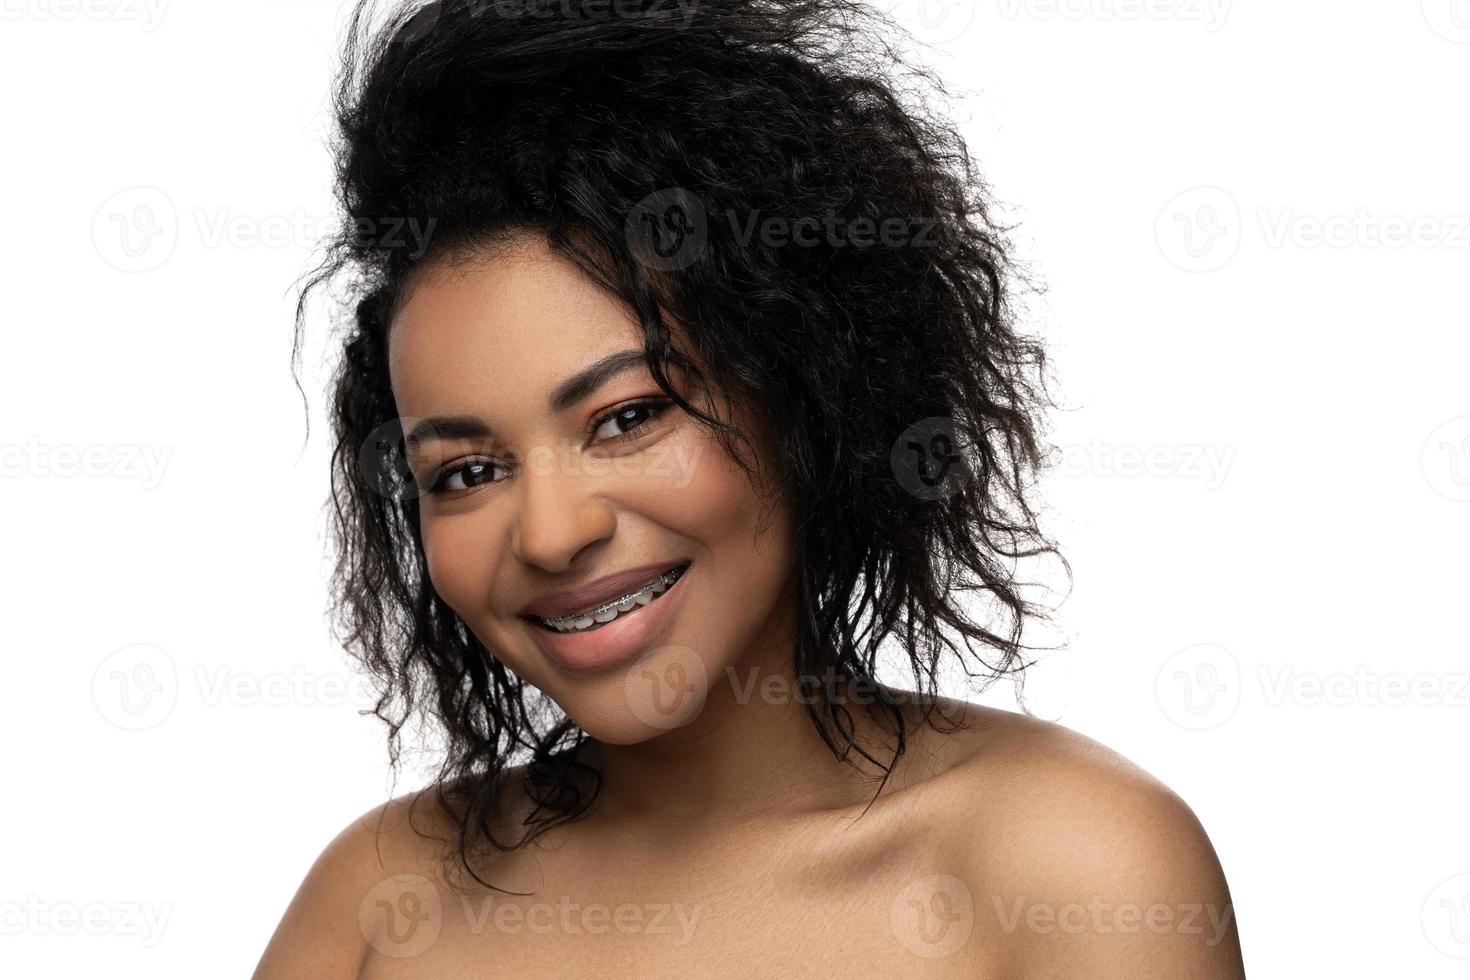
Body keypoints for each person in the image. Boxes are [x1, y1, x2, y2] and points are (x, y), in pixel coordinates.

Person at [254, 0, 1245, 975]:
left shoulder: (1067, 869)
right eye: (467, 471)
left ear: (807, 391)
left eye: (630, 416)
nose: (552, 534)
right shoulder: (380, 902)